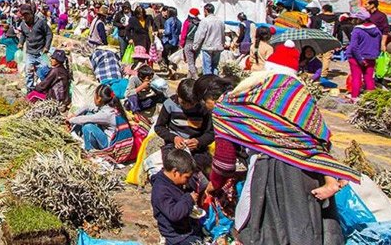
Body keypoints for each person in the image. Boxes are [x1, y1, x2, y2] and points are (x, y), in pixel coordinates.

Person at [212, 70, 358, 244]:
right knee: (310, 226)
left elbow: (225, 164)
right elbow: (321, 140)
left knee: (267, 229)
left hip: (271, 174)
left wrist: (214, 185)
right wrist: (330, 178)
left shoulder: (228, 110)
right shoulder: (293, 100)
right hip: (311, 172)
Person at [154, 78, 214, 171]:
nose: (187, 107)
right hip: (173, 146)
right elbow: (159, 127)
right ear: (177, 93)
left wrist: (198, 141)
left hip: (196, 148)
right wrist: (174, 138)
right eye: (183, 103)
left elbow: (210, 133)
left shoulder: (203, 108)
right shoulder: (169, 104)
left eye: (192, 104)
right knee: (173, 166)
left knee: (199, 167)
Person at [150, 149, 205, 245]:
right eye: (186, 177)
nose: (187, 181)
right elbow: (174, 214)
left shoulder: (172, 182)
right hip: (175, 235)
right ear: (175, 172)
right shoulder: (161, 190)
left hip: (185, 227)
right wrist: (189, 198)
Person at [66, 84, 126, 151]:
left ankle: (90, 150)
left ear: (99, 99)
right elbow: (87, 106)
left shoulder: (106, 114)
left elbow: (85, 119)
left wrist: (70, 120)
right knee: (89, 113)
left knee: (88, 127)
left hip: (110, 145)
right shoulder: (110, 106)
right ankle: (76, 135)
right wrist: (75, 114)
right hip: (113, 138)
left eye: (94, 96)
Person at [345, 8, 382, 100]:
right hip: (370, 58)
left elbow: (353, 47)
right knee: (369, 78)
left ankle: (354, 97)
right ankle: (371, 98)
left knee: (356, 78)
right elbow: (378, 44)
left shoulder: (357, 30)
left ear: (359, 19)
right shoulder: (377, 30)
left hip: (356, 58)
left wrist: (360, 59)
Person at [17, 4, 53, 91]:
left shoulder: (40, 22)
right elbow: (23, 34)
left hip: (41, 52)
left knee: (44, 71)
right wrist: (21, 43)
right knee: (28, 72)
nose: (25, 17)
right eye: (23, 15)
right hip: (30, 52)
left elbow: (49, 33)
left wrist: (47, 46)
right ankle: (30, 89)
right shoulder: (23, 24)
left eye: (27, 14)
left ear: (31, 13)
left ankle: (45, 88)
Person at [193, 3, 224, 76]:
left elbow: (200, 35)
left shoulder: (205, 21)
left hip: (208, 47)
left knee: (207, 67)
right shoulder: (220, 21)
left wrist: (195, 45)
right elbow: (223, 34)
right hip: (218, 47)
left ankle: (208, 83)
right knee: (215, 66)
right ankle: (215, 81)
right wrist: (222, 43)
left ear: (206, 11)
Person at [311, 5, 340, 77]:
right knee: (327, 58)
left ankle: (318, 71)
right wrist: (339, 42)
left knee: (318, 56)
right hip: (330, 40)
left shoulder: (318, 18)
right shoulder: (336, 19)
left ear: (323, 10)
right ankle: (323, 74)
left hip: (318, 39)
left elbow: (314, 29)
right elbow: (339, 32)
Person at [180, 8, 201, 79]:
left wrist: (182, 44)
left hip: (188, 43)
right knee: (192, 61)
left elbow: (183, 34)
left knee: (190, 63)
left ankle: (196, 77)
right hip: (197, 44)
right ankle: (188, 77)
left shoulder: (187, 22)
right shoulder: (200, 22)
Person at [161, 8, 181, 75]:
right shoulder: (179, 22)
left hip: (168, 41)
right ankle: (173, 71)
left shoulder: (168, 21)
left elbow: (168, 32)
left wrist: (162, 31)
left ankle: (169, 68)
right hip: (176, 42)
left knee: (164, 56)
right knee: (174, 58)